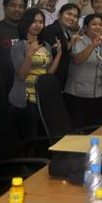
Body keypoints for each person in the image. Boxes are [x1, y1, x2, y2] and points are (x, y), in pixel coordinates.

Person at [10, 8, 61, 138]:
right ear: (26, 23)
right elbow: (21, 75)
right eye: (34, 21)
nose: (38, 25)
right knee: (28, 137)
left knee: (42, 136)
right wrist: (29, 54)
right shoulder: (19, 45)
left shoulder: (46, 46)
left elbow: (48, 74)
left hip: (42, 98)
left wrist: (59, 54)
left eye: (41, 22)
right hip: (26, 99)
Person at [65, 14, 102, 127]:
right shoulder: (79, 41)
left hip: (97, 93)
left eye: (101, 25)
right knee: (77, 129)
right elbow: (77, 60)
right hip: (78, 93)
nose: (98, 27)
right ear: (86, 27)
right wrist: (92, 45)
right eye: (94, 24)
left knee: (92, 128)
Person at [39, 3, 81, 89]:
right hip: (49, 80)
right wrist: (71, 42)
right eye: (69, 14)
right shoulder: (51, 29)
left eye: (75, 16)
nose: (72, 18)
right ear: (60, 14)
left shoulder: (65, 32)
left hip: (60, 80)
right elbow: (53, 55)